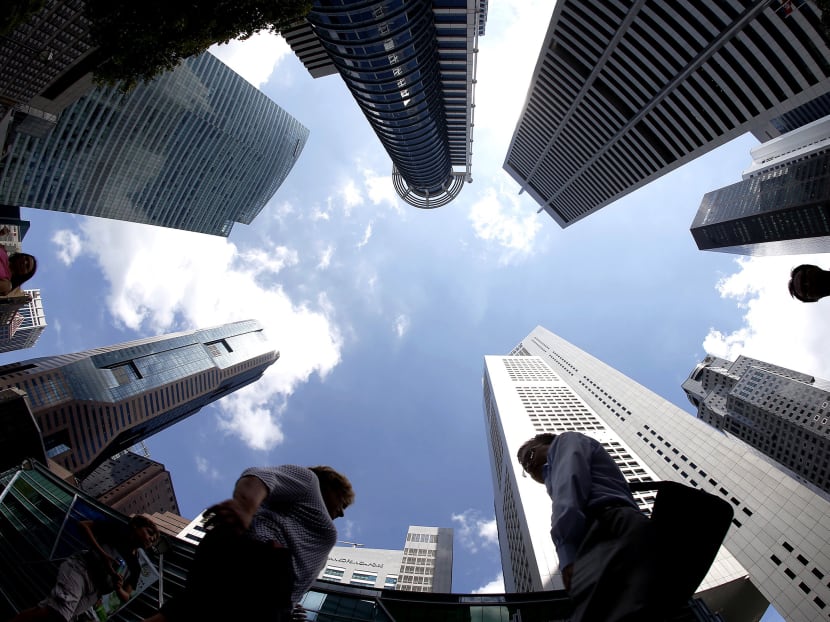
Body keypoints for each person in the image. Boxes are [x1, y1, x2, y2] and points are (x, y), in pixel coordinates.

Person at [144, 464, 354, 622]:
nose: (343, 512)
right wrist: (244, 507)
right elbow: (260, 477)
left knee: (187, 610)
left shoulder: (310, 527)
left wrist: (290, 607)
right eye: (342, 500)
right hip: (261, 562)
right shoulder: (310, 483)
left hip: (270, 592)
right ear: (328, 484)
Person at [517, 432, 664, 622]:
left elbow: (569, 488)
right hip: (611, 530)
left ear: (547, 443)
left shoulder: (564, 442)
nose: (529, 466)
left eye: (529, 456)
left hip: (609, 526)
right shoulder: (554, 475)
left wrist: (567, 551)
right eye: (525, 468)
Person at [10, 515, 159, 622]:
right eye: (150, 533)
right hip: (82, 569)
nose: (151, 539)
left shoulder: (136, 566)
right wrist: (103, 555)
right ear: (135, 526)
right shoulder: (117, 530)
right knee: (59, 614)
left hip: (94, 593)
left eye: (154, 540)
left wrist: (118, 587)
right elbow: (84, 525)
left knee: (51, 612)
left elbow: (126, 595)